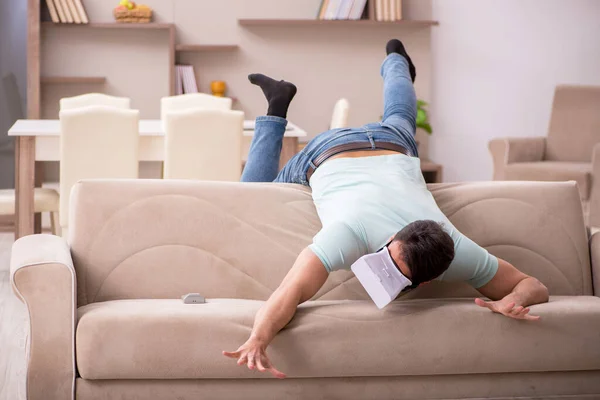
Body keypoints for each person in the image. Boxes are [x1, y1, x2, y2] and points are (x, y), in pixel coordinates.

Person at [223, 39, 549, 379]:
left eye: (394, 272)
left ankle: (393, 60)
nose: (381, 268)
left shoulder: (459, 252)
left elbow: (534, 286)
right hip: (331, 151)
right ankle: (277, 108)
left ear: (428, 281)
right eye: (386, 257)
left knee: (400, 116)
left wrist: (511, 301)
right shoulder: (348, 232)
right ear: (395, 236)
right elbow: (288, 293)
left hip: (391, 143)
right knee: (252, 198)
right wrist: (258, 339)